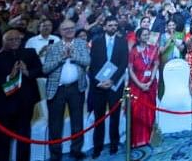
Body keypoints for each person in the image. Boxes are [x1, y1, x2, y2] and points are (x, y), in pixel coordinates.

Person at [0, 30, 42, 161]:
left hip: (26, 103)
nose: (14, 42)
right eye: (10, 40)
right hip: (4, 105)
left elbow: (40, 70)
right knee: (2, 139)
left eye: (17, 39)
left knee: (24, 137)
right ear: (3, 41)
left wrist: (27, 71)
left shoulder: (30, 53)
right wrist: (8, 77)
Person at [43, 19, 91, 161]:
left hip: (77, 88)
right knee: (55, 124)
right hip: (57, 90)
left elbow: (87, 62)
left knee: (77, 122)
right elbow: (45, 69)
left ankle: (76, 150)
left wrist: (73, 56)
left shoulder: (82, 44)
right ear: (60, 31)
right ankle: (55, 154)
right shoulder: (53, 47)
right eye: (66, 29)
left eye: (72, 28)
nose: (69, 31)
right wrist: (61, 58)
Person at [89, 16, 128, 158]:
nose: (113, 27)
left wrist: (111, 80)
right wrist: (98, 81)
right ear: (104, 26)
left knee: (115, 116)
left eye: (115, 25)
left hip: (115, 85)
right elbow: (92, 64)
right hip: (99, 86)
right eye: (110, 25)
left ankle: (113, 144)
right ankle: (97, 147)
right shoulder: (96, 41)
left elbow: (124, 63)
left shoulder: (122, 41)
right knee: (98, 117)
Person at [128, 28, 158, 148]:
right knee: (137, 111)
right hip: (137, 85)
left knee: (150, 110)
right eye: (144, 35)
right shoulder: (133, 51)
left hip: (150, 85)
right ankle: (138, 139)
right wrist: (140, 84)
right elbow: (130, 69)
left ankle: (149, 137)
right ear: (139, 37)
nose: (146, 36)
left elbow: (156, 65)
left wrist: (150, 81)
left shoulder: (153, 49)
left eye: (148, 34)